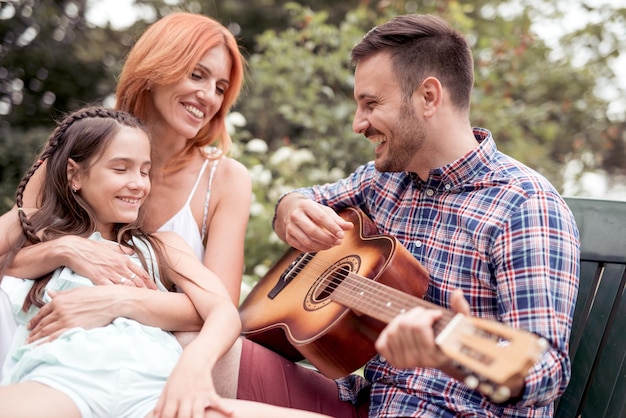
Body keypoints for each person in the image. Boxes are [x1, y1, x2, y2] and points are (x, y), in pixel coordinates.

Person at [233, 14, 580, 417]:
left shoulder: (525, 206)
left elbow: (547, 370)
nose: (357, 124)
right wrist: (292, 210)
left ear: (429, 97)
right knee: (200, 351)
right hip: (365, 400)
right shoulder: (383, 181)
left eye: (371, 104)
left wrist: (449, 357)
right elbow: (303, 199)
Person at [0, 106, 328, 418]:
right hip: (63, 379)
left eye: (145, 171)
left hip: (155, 392)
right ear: (75, 174)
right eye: (120, 168)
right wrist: (64, 248)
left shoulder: (161, 247)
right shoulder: (33, 226)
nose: (139, 184)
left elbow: (223, 311)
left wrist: (194, 365)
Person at [0, 12, 250, 381]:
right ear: (155, 70)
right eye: (197, 75)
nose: (208, 96)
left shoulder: (226, 179)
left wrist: (117, 301)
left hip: (145, 355)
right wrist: (64, 249)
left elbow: (218, 307)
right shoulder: (85, 147)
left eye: (220, 87)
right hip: (52, 335)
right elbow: (10, 243)